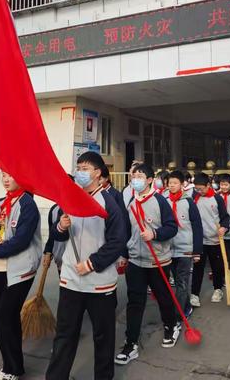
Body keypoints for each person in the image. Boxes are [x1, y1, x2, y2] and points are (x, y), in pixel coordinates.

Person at [46, 152, 126, 380]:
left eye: (85, 168)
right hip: (70, 280)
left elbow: (117, 241)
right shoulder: (70, 199)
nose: (80, 172)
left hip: (99, 283)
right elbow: (57, 237)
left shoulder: (108, 202)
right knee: (64, 335)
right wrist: (61, 227)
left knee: (103, 337)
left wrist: (92, 263)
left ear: (98, 173)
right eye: (78, 167)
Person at [0, 172, 42, 380]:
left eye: (11, 175)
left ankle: (11, 369)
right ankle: (13, 365)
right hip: (0, 270)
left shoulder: (27, 204)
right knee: (4, 318)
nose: (6, 179)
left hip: (20, 270)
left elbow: (22, 240)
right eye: (3, 175)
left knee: (4, 317)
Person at [115, 163, 179, 367]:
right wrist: (124, 253)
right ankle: (131, 343)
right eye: (134, 175)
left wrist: (155, 234)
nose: (136, 179)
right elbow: (126, 230)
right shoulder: (131, 201)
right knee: (135, 302)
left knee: (163, 296)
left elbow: (172, 227)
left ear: (150, 180)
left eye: (140, 175)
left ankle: (171, 325)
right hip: (135, 261)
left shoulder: (160, 201)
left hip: (158, 259)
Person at [164, 171, 203, 319]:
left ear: (182, 184)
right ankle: (186, 306)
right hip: (168, 248)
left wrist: (197, 250)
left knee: (181, 281)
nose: (172, 186)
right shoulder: (163, 200)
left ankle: (178, 314)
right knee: (177, 281)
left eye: (175, 183)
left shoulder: (189, 202)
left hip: (185, 248)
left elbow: (197, 227)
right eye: (170, 183)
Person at [191, 173, 229, 307]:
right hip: (199, 241)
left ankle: (218, 290)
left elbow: (225, 217)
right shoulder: (194, 198)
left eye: (201, 188)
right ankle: (194, 294)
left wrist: (224, 228)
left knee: (216, 267)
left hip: (215, 240)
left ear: (208, 185)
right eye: (197, 189)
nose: (199, 191)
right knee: (198, 268)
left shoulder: (217, 199)